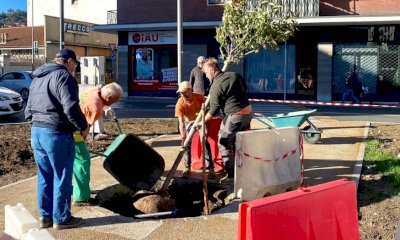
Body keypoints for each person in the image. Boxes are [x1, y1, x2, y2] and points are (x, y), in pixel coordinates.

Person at [25, 48, 89, 230]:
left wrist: (36, 125)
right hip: (56, 133)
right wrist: (83, 127)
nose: (74, 68)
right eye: (75, 64)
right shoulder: (64, 77)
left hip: (37, 132)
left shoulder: (37, 78)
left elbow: (28, 109)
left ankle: (45, 217)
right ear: (68, 61)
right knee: (62, 176)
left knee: (44, 175)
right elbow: (71, 107)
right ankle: (61, 219)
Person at [202, 58, 253, 183]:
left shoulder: (215, 86)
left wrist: (202, 121)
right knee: (236, 142)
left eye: (206, 73)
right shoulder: (235, 75)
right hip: (248, 113)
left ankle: (231, 176)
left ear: (213, 70)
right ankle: (242, 171)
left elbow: (213, 110)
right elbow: (244, 89)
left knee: (223, 141)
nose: (206, 76)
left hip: (235, 116)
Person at [73, 82, 123, 206]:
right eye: (115, 100)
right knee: (82, 162)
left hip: (65, 126)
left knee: (72, 162)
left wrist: (106, 108)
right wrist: (83, 140)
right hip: (74, 133)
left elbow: (100, 93)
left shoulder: (94, 90)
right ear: (109, 98)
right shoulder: (96, 109)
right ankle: (81, 198)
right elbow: (85, 129)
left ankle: (79, 189)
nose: (116, 103)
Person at [175, 81, 215, 178]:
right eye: (180, 92)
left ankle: (210, 168)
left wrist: (204, 119)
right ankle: (187, 168)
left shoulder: (199, 97)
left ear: (189, 90)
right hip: (189, 123)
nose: (182, 94)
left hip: (201, 121)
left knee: (204, 141)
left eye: (183, 92)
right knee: (186, 144)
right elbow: (181, 122)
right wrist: (183, 136)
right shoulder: (180, 103)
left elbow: (209, 109)